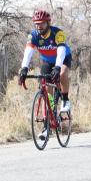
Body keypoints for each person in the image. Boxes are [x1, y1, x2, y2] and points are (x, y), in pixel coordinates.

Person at [18, 9, 73, 141]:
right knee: (46, 90)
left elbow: (60, 51)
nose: (39, 26)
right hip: (47, 61)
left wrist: (58, 66)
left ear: (48, 23)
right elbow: (28, 52)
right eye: (36, 24)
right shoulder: (34, 35)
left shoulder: (57, 33)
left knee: (63, 73)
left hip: (63, 58)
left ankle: (65, 99)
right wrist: (24, 68)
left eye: (42, 23)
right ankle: (47, 124)